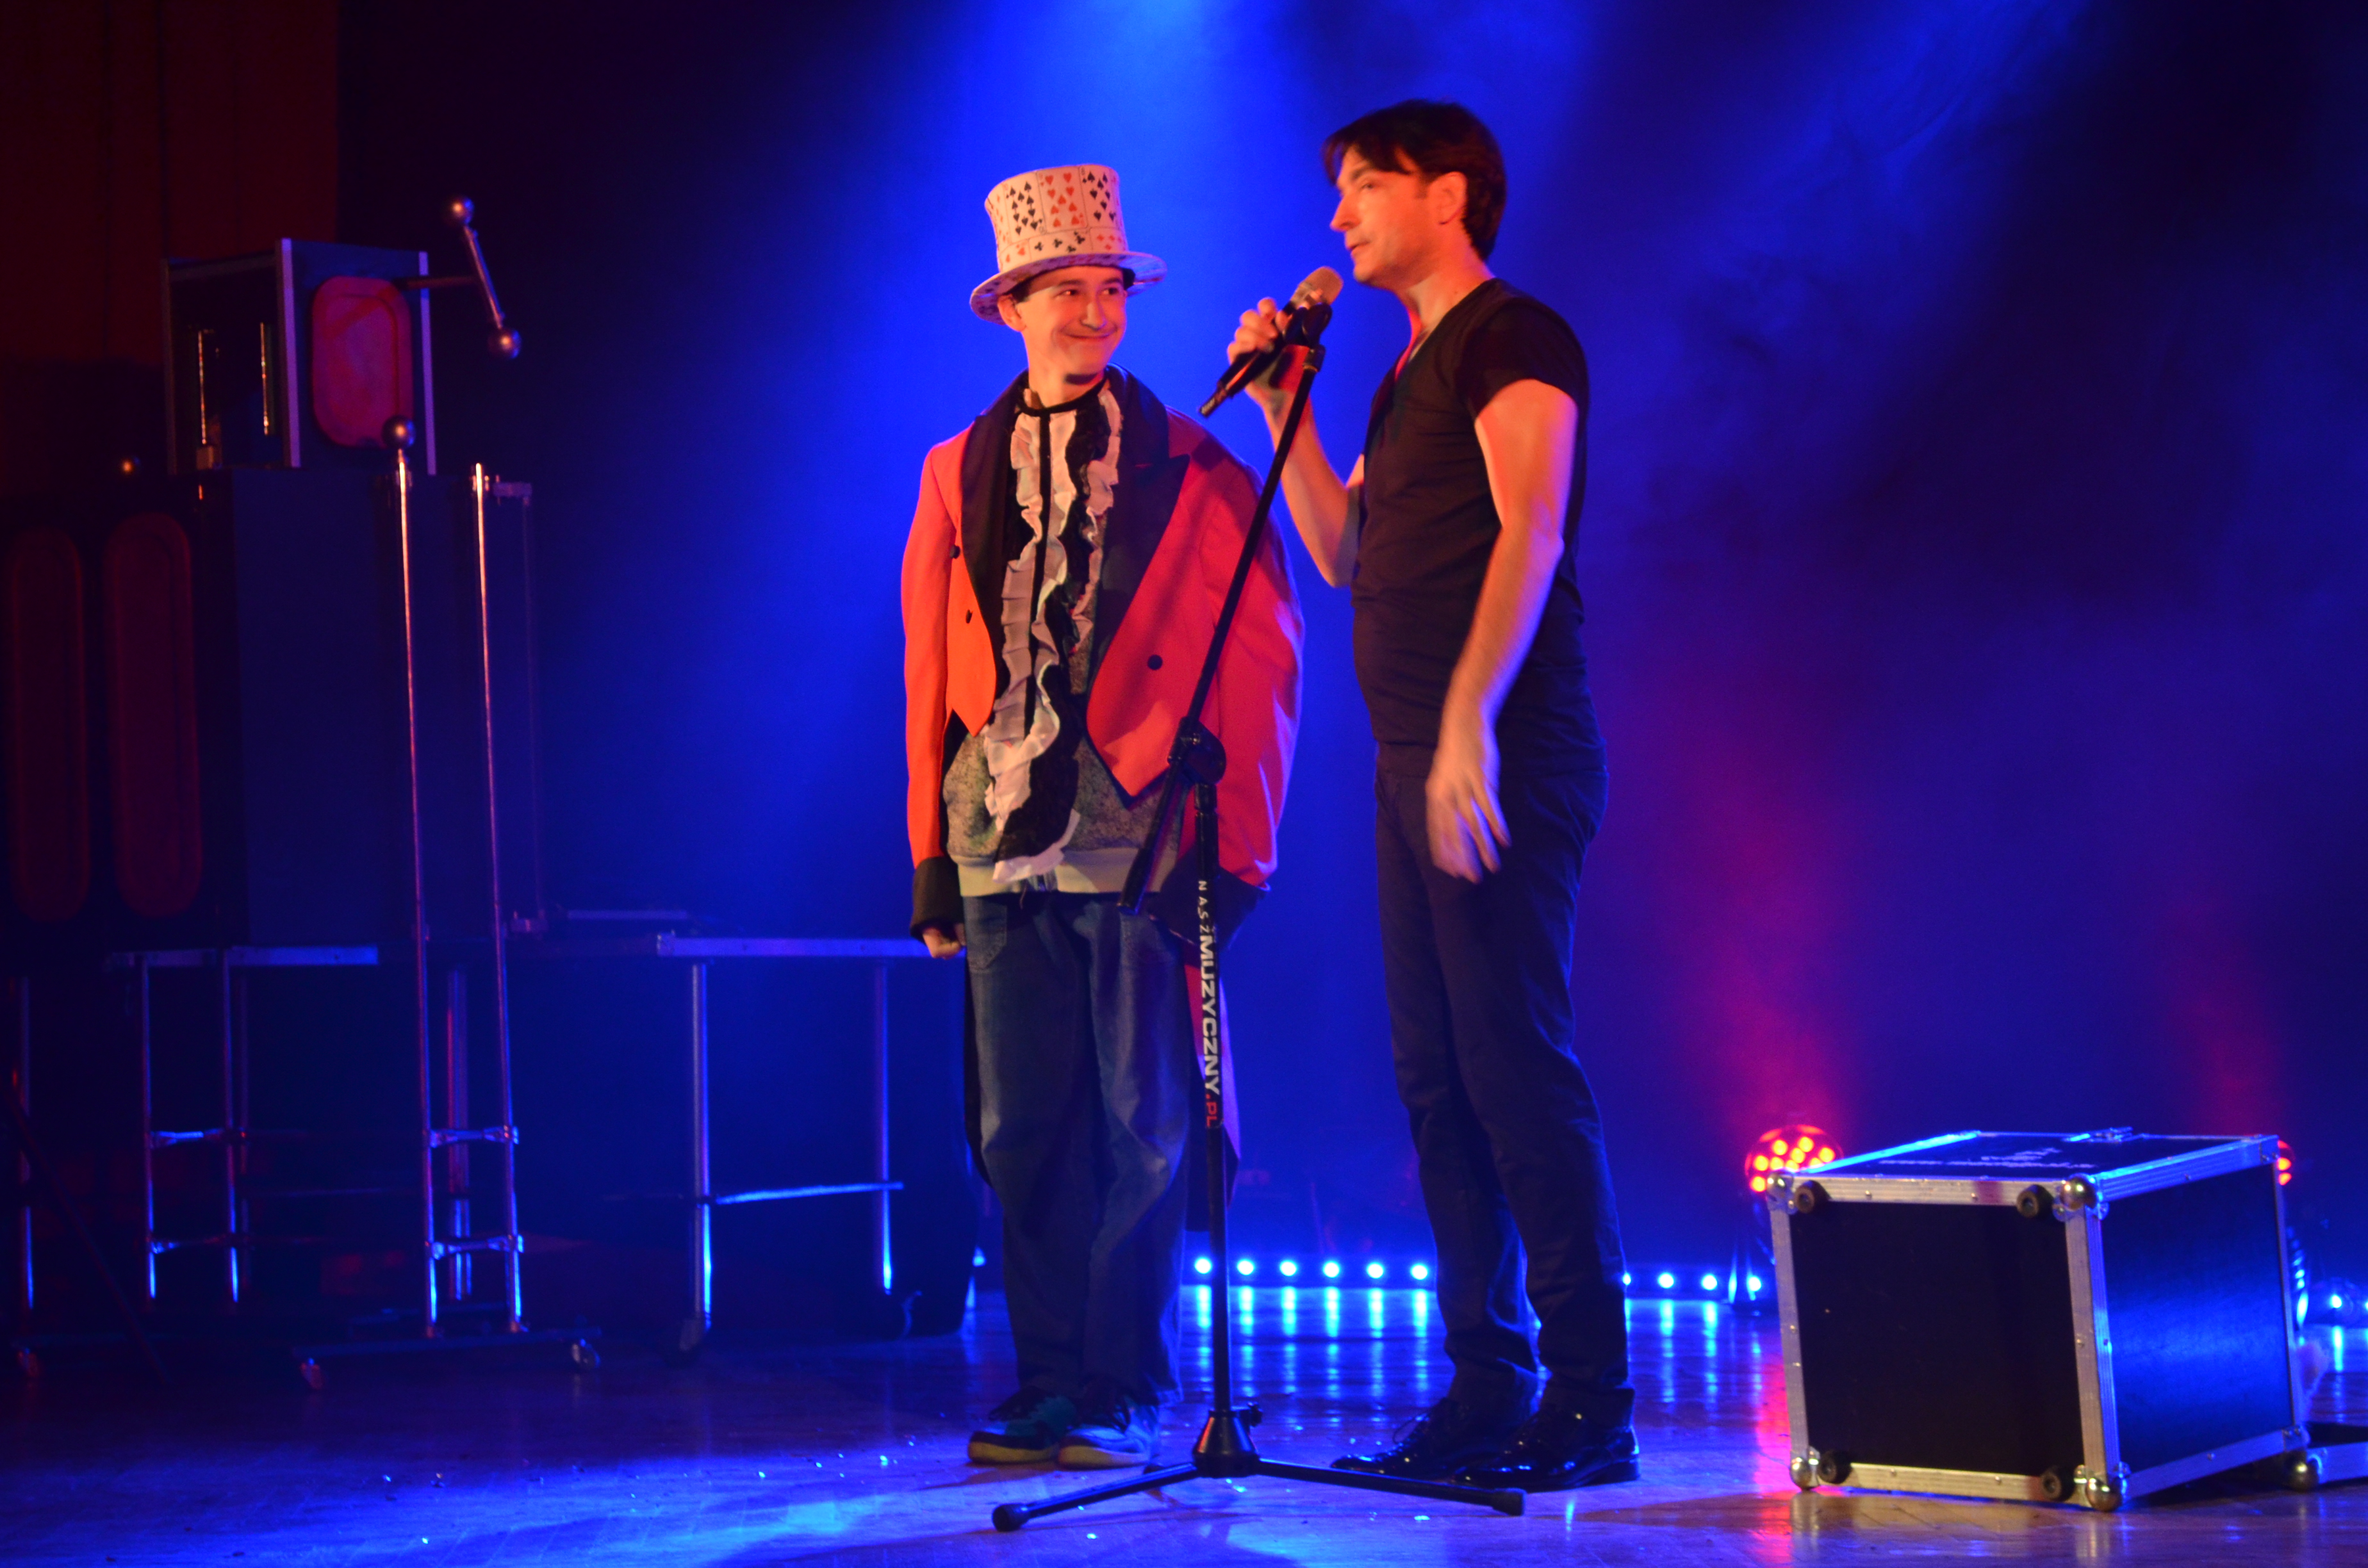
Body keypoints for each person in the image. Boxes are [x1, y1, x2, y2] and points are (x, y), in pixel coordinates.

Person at [1226, 102, 1636, 1492]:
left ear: (1447, 195)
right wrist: (1284, 403)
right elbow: (1342, 551)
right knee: (1438, 1079)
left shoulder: (1514, 336)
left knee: (1515, 1064)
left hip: (1503, 753)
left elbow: (1535, 527)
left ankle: (1593, 1398)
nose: (1338, 217)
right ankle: (1487, 1382)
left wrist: (1469, 722)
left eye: (1364, 186)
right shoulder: (1403, 374)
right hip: (1416, 763)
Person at [902, 165, 1301, 1470]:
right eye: (1064, 289)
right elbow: (928, 665)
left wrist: (1237, 851)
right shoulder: (954, 469)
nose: (1091, 311)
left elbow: (1267, 655)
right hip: (996, 831)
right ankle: (1047, 1378)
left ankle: (1122, 1382)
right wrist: (929, 855)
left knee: (1145, 1122)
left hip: (1141, 830)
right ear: (1013, 307)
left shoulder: (1192, 461)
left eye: (1108, 288)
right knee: (1019, 1125)